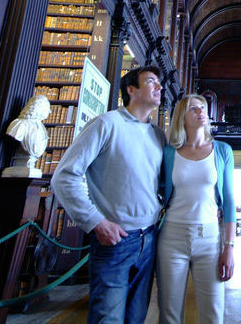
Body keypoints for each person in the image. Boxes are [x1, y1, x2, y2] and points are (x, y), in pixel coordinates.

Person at [52, 66, 165, 324]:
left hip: (149, 240)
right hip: (115, 242)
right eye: (151, 82)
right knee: (108, 319)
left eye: (159, 83)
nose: (159, 87)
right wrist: (95, 221)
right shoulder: (106, 124)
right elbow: (65, 175)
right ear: (131, 90)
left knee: (136, 318)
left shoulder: (158, 135)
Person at [157, 95, 235, 324]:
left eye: (203, 107)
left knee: (213, 312)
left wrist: (229, 247)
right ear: (182, 117)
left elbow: (229, 200)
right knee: (169, 313)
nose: (201, 111)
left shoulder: (222, 151)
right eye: (194, 108)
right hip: (172, 237)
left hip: (209, 238)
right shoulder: (169, 153)